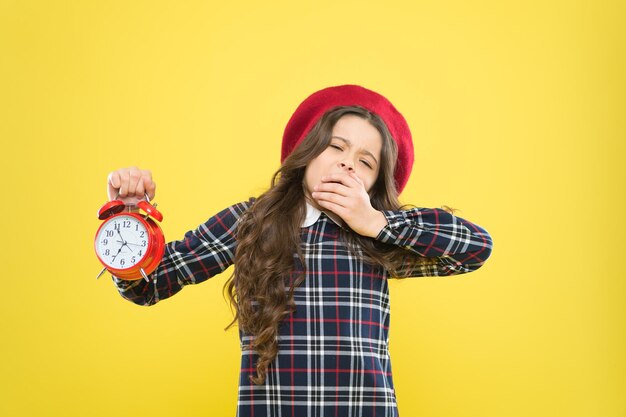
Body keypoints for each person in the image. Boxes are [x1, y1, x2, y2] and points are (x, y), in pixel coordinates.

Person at [105, 85, 493, 417]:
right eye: (335, 145)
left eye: (366, 161)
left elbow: (475, 248)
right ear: (307, 152)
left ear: (374, 184)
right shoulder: (251, 221)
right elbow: (148, 286)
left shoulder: (378, 235)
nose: (346, 162)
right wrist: (130, 215)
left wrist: (377, 223)